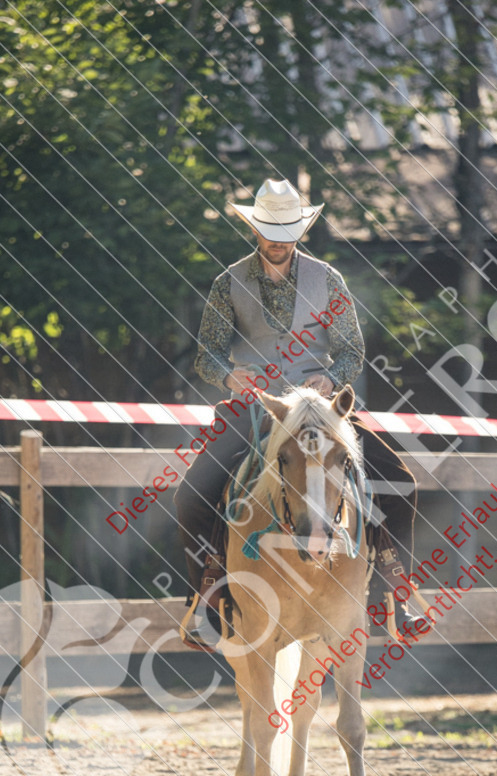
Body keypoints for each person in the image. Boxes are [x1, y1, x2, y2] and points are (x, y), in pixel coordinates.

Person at [175, 178, 420, 649]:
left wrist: (333, 379)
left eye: (287, 230)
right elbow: (207, 354)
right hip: (257, 409)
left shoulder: (329, 279)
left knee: (400, 483)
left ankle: (394, 596)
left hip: (320, 408)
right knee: (190, 497)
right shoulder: (228, 282)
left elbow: (351, 350)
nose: (279, 240)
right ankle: (208, 600)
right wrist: (231, 377)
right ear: (255, 229)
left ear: (299, 231)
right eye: (270, 229)